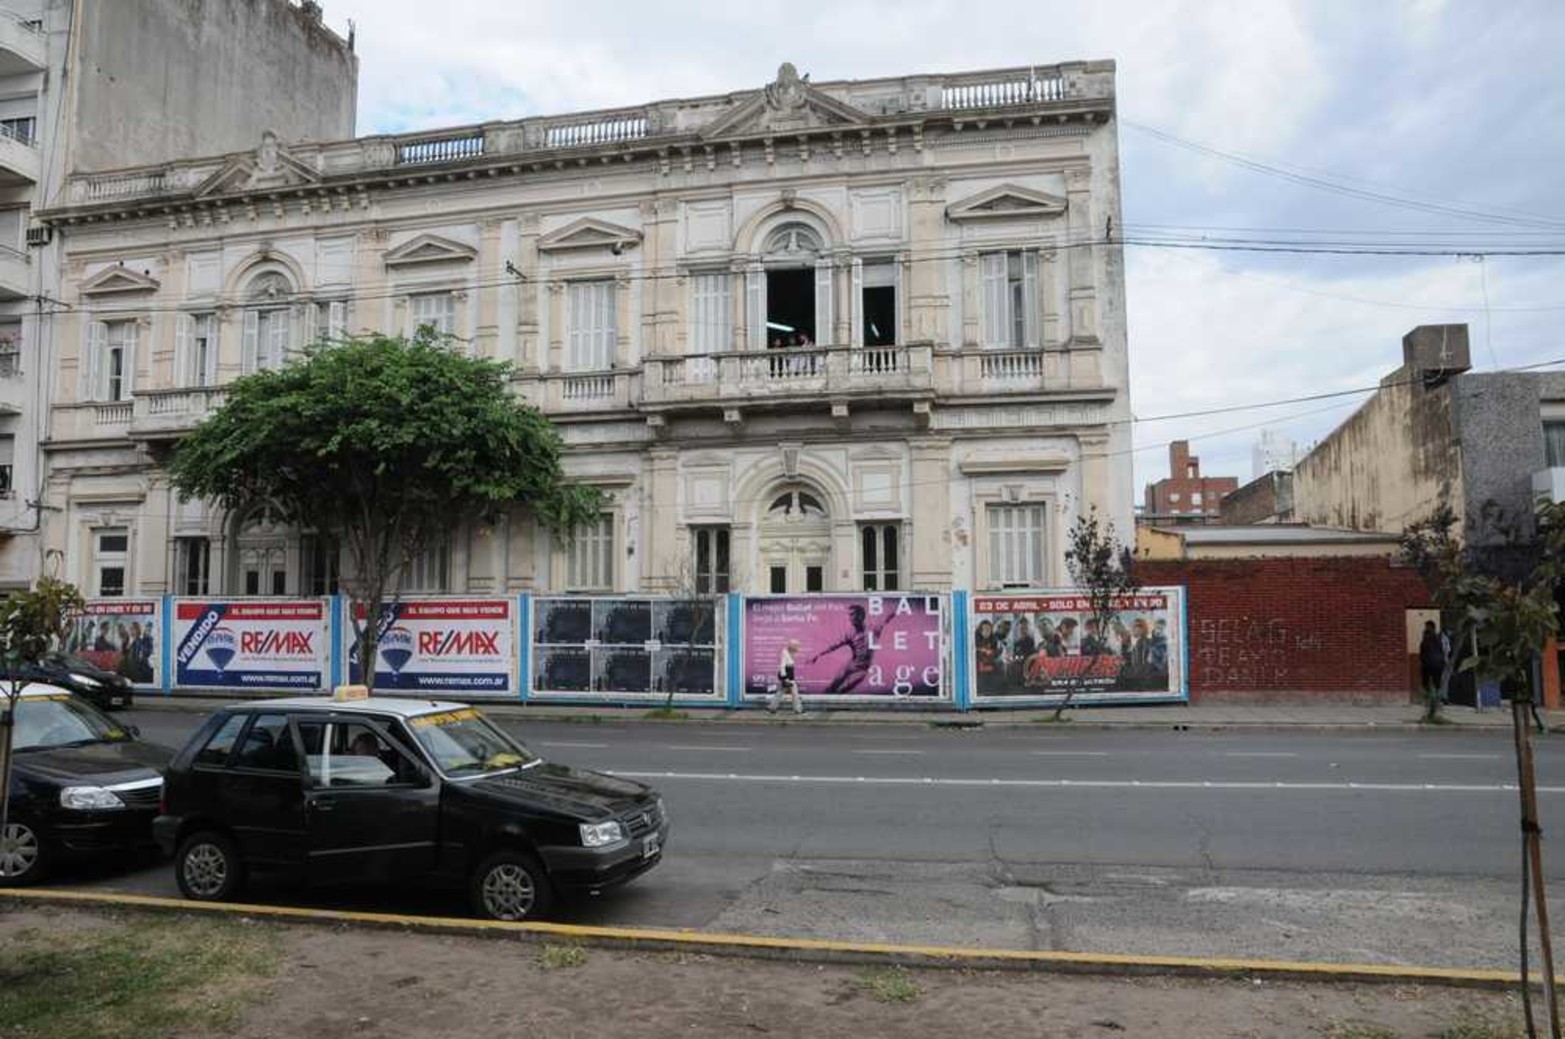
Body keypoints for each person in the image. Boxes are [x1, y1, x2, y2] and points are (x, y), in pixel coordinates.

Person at [810, 604, 895, 696]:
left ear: (861, 615)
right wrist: (818, 655)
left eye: (853, 614)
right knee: (831, 687)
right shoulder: (849, 634)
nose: (850, 618)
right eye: (849, 615)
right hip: (850, 665)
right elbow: (833, 646)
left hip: (862, 669)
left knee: (842, 690)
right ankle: (822, 704)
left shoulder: (874, 628)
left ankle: (832, 706)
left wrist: (899, 607)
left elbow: (887, 617)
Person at [767, 638, 804, 715]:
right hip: (787, 677)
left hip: (789, 677)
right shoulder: (785, 653)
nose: (798, 648)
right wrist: (785, 678)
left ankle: (772, 708)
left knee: (781, 692)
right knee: (794, 693)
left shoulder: (790, 652)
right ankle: (798, 709)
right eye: (796, 646)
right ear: (792, 646)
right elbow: (782, 666)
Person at [1418, 621, 1447, 707]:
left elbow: (1422, 652)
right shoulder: (1439, 638)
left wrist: (1422, 661)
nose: (1425, 628)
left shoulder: (1427, 638)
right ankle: (1436, 701)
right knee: (1436, 682)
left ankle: (1429, 700)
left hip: (1429, 663)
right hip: (1438, 664)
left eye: (1426, 626)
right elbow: (1442, 651)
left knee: (1426, 682)